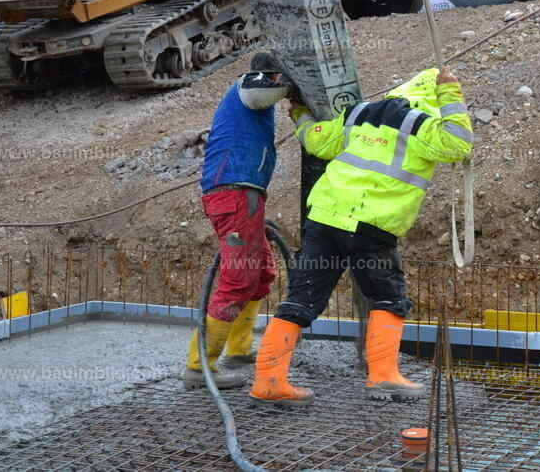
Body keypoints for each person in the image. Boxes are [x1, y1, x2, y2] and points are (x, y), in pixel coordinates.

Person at [249, 67, 473, 407]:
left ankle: (268, 380)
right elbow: (457, 143)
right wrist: (453, 96)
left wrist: (300, 114)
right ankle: (383, 376)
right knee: (387, 297)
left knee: (302, 298)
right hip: (370, 223)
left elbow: (318, 141)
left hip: (324, 218)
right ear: (434, 95)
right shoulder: (422, 123)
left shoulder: (359, 113)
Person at [182, 52, 293, 389]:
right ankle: (199, 367)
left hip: (245, 193)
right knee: (238, 277)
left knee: (260, 273)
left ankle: (239, 349)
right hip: (233, 192)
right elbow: (258, 87)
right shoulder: (247, 89)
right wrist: (296, 88)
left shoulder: (254, 107)